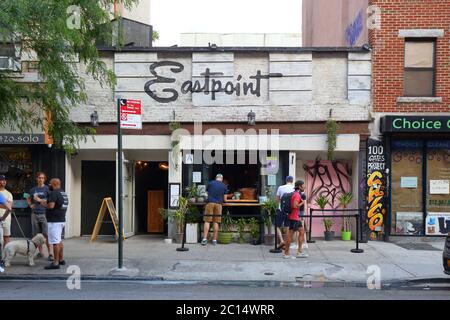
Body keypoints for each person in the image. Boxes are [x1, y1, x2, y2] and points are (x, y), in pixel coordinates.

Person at [36, 178, 69, 270]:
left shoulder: (54, 193)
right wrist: (42, 201)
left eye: (50, 184)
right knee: (59, 241)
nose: (49, 185)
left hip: (54, 221)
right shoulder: (63, 193)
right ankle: (61, 259)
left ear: (53, 184)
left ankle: (55, 262)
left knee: (55, 242)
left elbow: (51, 205)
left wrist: (43, 205)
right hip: (61, 219)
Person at [28, 172, 53, 261]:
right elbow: (28, 197)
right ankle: (40, 252)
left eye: (42, 178)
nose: (40, 179)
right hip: (34, 214)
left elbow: (50, 202)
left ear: (44, 179)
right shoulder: (33, 189)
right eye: (39, 178)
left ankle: (50, 253)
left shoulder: (47, 189)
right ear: (36, 179)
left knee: (46, 234)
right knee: (37, 235)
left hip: (44, 214)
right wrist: (30, 205)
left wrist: (40, 200)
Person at [201, 174, 227, 246]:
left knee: (207, 221)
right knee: (216, 222)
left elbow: (206, 194)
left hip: (210, 203)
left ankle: (204, 239)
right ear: (221, 179)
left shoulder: (210, 183)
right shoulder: (224, 186)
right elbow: (225, 199)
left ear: (216, 178)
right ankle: (214, 240)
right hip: (219, 204)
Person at [283, 180, 306, 259]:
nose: (304, 186)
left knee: (302, 232)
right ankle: (286, 253)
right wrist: (302, 203)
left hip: (295, 217)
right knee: (290, 235)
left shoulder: (296, 194)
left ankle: (299, 251)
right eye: (303, 185)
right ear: (299, 186)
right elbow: (295, 206)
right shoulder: (297, 195)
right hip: (293, 218)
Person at [275, 176, 295, 249]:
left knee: (277, 226)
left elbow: (277, 199)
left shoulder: (280, 187)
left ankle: (281, 241)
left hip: (281, 209)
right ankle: (287, 243)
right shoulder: (294, 188)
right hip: (290, 210)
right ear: (292, 181)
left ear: (286, 180)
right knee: (287, 226)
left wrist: (279, 205)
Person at [0, 175, 14, 247]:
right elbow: (8, 205)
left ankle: (6, 256)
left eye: (5, 180)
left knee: (6, 237)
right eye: (2, 180)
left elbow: (10, 206)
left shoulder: (9, 194)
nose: (4, 181)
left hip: (6, 218)